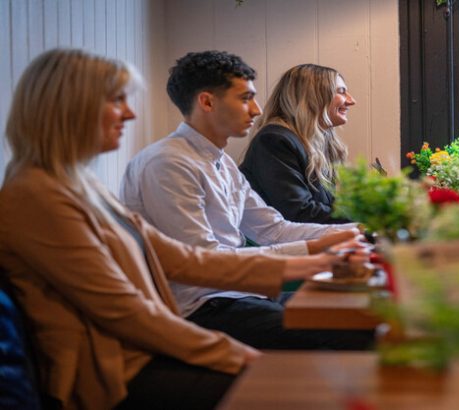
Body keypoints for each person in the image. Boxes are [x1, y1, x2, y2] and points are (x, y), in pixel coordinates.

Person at [0, 48, 353, 409]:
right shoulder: (36, 196)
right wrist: (239, 356)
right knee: (313, 378)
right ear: (67, 107)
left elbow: (184, 260)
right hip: (116, 374)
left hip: (149, 347)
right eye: (116, 100)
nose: (130, 112)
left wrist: (316, 260)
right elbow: (127, 313)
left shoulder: (81, 186)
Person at [120, 51, 369, 351]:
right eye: (245, 98)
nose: (257, 109)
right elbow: (204, 264)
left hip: (241, 296)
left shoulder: (220, 162)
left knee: (364, 313)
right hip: (202, 309)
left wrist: (358, 231)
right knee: (356, 330)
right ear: (207, 102)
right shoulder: (168, 164)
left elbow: (273, 229)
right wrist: (316, 251)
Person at [239, 63, 355, 224]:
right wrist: (370, 217)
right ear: (313, 96)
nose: (351, 101)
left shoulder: (317, 143)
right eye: (341, 92)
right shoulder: (274, 140)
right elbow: (298, 212)